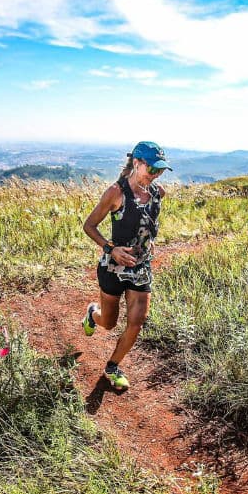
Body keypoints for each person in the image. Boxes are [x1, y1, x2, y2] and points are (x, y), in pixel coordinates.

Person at [81, 141, 171, 390]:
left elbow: (150, 220)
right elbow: (89, 226)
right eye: (152, 169)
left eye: (161, 169)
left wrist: (149, 241)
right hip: (113, 267)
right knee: (109, 322)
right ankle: (92, 313)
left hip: (141, 268)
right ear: (137, 163)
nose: (157, 174)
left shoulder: (157, 192)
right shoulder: (116, 192)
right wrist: (112, 249)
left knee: (137, 320)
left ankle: (112, 367)